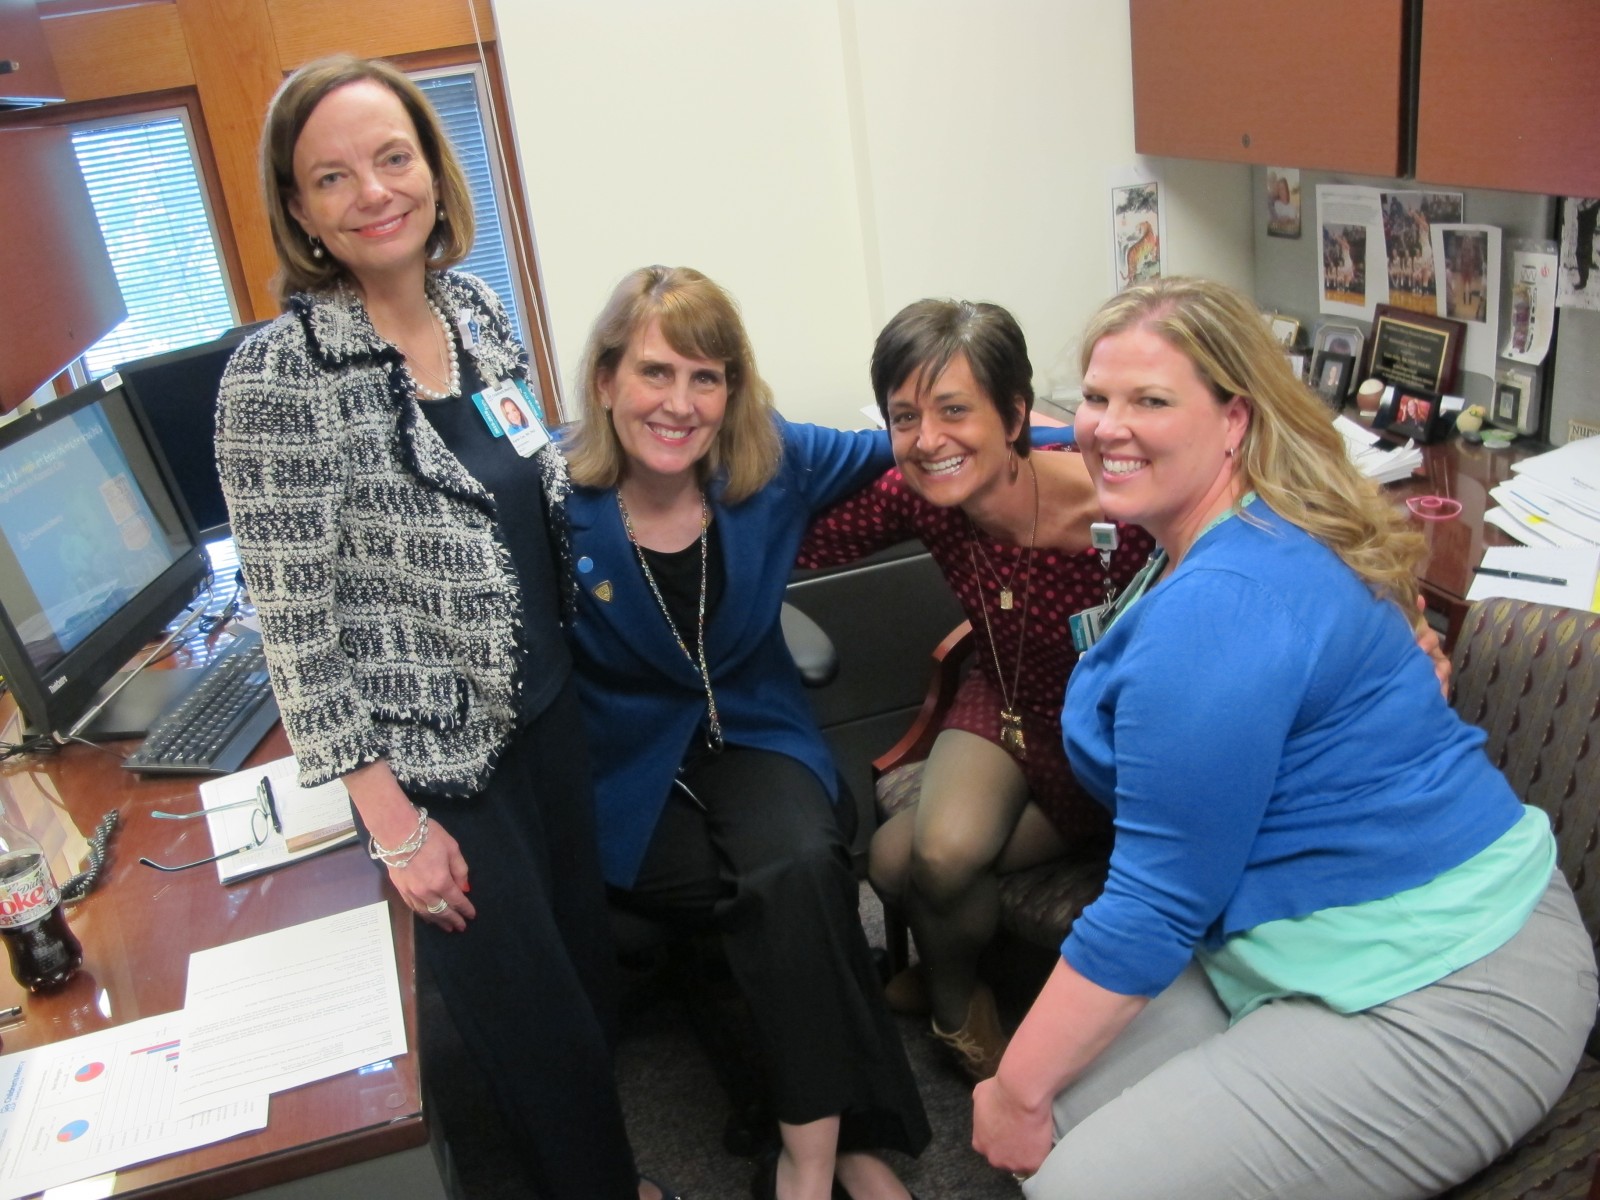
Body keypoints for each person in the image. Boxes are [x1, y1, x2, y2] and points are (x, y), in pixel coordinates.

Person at [972, 277, 1598, 1199]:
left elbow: (1154, 903)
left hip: (1456, 979)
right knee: (1066, 1129)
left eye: (1152, 400)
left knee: (1073, 1177)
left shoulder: (1223, 602)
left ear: (1234, 419)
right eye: (1098, 397)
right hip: (1294, 932)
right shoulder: (1242, 527)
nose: (1108, 426)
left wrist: (1012, 1090)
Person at [214, 56, 674, 1200]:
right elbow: (295, 632)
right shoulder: (277, 379)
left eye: (393, 158)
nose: (373, 192)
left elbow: (526, 484)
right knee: (538, 1037)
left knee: (585, 988)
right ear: (299, 209)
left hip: (547, 718)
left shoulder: (474, 312)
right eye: (333, 177)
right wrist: (393, 827)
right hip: (438, 771)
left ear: (432, 167)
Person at [562, 265, 931, 1200]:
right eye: (655, 372)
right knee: (781, 893)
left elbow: (916, 444)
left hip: (757, 735)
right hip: (631, 770)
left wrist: (1078, 439)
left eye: (706, 377)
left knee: (797, 867)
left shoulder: (770, 462)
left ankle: (805, 1162)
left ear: (732, 390)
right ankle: (852, 1145)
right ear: (606, 379)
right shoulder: (556, 506)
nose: (679, 404)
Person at [797, 299, 1154, 1081]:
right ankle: (962, 1006)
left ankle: (949, 980)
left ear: (1016, 414)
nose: (929, 440)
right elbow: (801, 542)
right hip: (1001, 694)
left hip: (1097, 737)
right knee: (918, 857)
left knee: (906, 862)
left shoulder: (1123, 508)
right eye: (905, 417)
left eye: (954, 410)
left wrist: (1398, 618)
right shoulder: (922, 493)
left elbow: (1269, 540)